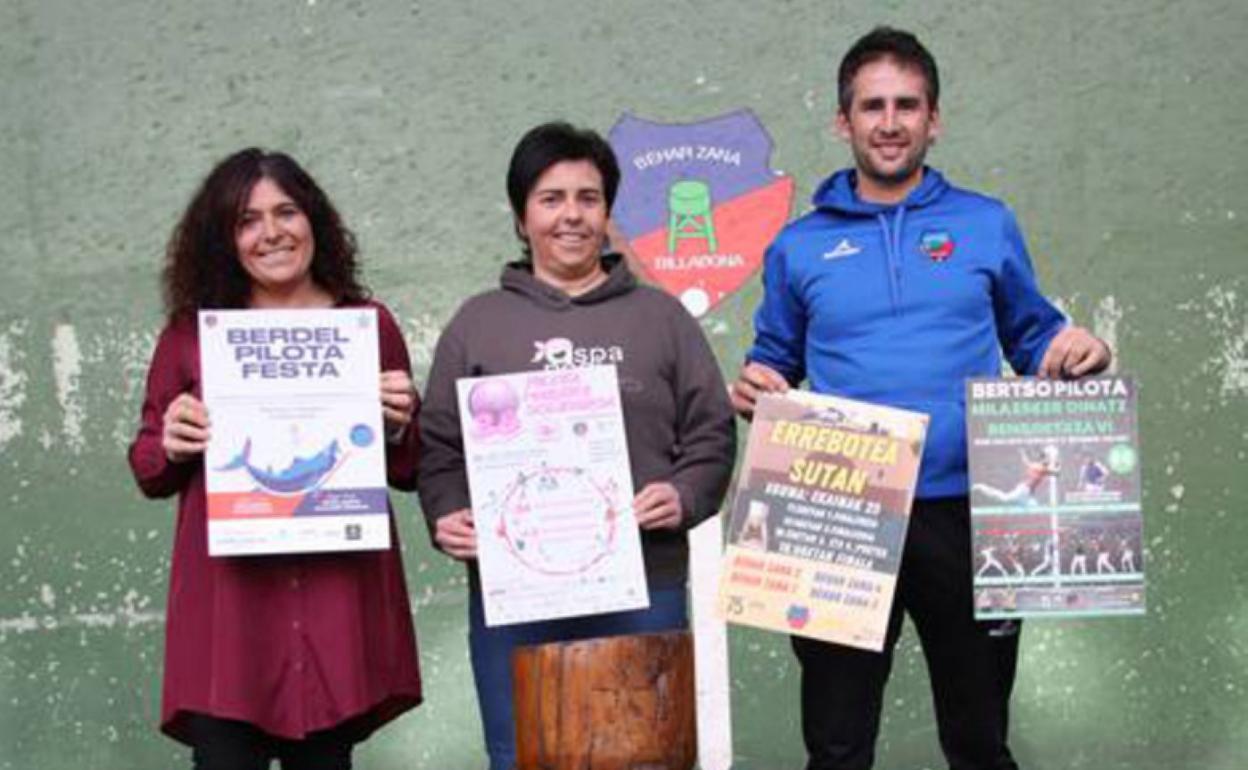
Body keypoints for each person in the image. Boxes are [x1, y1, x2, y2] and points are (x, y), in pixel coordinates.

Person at [729, 27, 1112, 770]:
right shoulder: (798, 246)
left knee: (978, 742)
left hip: (973, 508)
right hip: (838, 511)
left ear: (934, 119)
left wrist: (1076, 352)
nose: (891, 122)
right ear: (844, 121)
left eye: (908, 105)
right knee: (837, 744)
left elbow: (1034, 337)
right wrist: (757, 385)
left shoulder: (986, 222)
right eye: (872, 106)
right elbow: (774, 359)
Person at [417, 121, 736, 770]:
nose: (571, 216)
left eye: (588, 199)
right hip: (516, 594)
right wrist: (446, 513)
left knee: (645, 758)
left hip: (645, 588)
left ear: (608, 213)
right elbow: (439, 447)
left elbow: (711, 433)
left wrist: (684, 494)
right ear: (520, 216)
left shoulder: (661, 318)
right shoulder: (477, 325)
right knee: (523, 759)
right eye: (551, 198)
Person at [128, 149, 422, 770]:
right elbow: (148, 465)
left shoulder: (366, 325)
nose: (272, 232)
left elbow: (408, 467)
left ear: (313, 219)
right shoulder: (192, 334)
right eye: (247, 220)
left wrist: (398, 424)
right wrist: (172, 441)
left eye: (286, 211)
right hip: (230, 617)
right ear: (224, 239)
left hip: (336, 609)